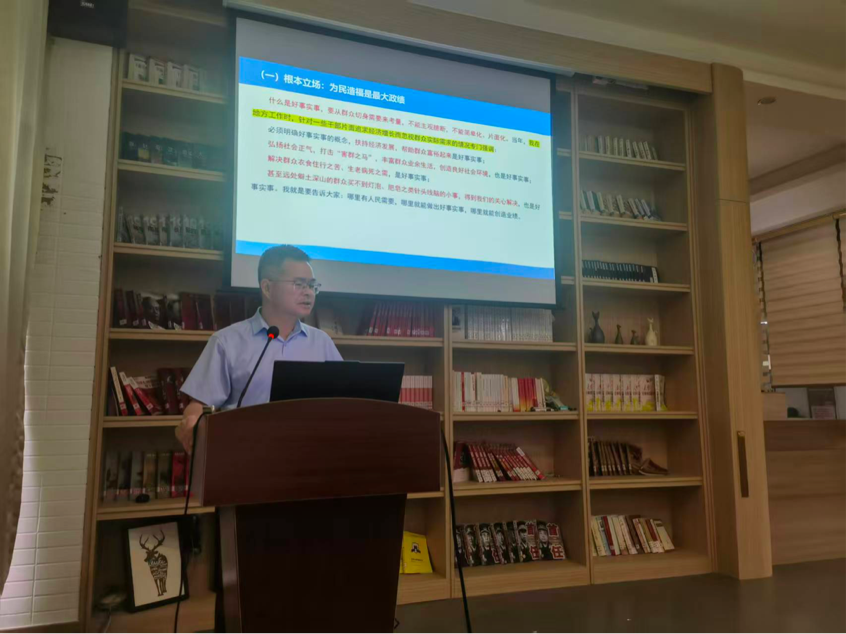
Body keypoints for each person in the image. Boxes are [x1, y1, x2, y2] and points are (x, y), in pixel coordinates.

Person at [175, 245, 342, 453]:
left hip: (309, 453)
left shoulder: (322, 342)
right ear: (267, 288)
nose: (308, 292)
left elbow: (343, 402)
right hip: (247, 454)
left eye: (312, 285)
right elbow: (200, 404)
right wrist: (192, 422)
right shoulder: (226, 341)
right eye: (299, 284)